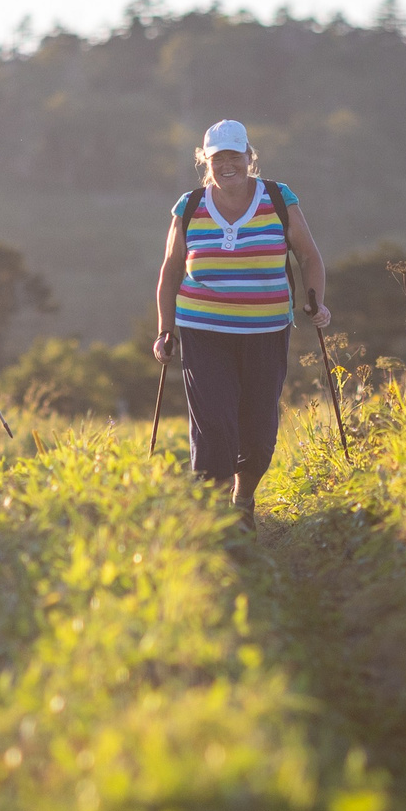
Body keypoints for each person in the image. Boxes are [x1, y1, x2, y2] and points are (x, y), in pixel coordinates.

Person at [152, 119, 329, 529]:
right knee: (214, 427)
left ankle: (243, 499)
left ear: (250, 157)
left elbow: (309, 256)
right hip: (204, 332)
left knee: (259, 431)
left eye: (235, 156)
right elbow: (171, 270)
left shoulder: (278, 198)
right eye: (218, 158)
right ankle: (216, 520)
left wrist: (316, 301)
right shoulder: (189, 206)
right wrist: (165, 330)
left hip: (266, 332)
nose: (227, 164)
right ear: (205, 161)